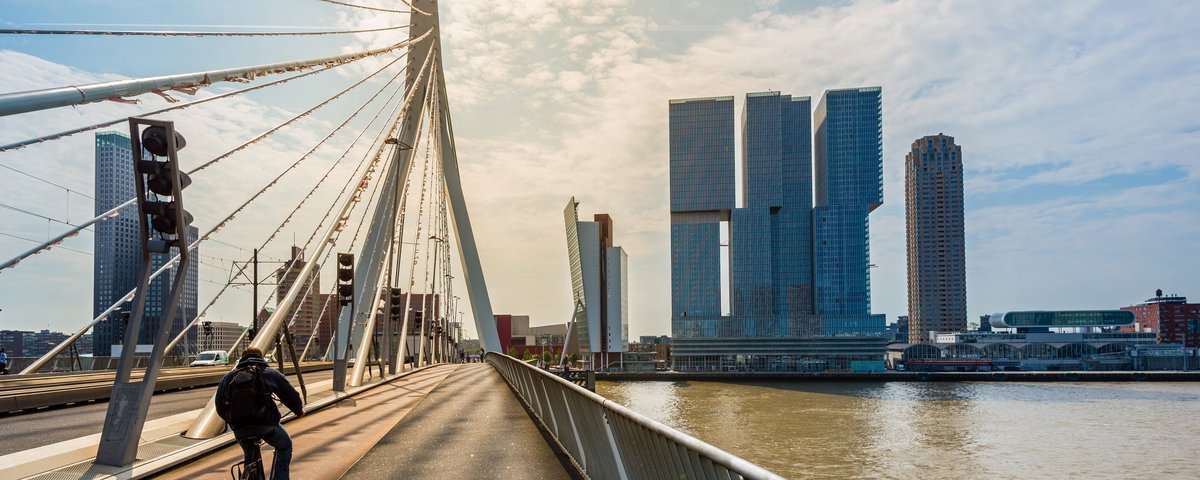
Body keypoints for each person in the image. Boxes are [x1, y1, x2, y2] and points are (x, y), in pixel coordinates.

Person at [216, 347, 304, 480]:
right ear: (261, 357)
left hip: (240, 429)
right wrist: (299, 410)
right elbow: (290, 395)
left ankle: (250, 473)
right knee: (285, 446)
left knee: (249, 454)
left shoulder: (228, 377)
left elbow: (219, 405)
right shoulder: (268, 373)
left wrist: (232, 421)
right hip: (266, 425)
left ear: (242, 358)